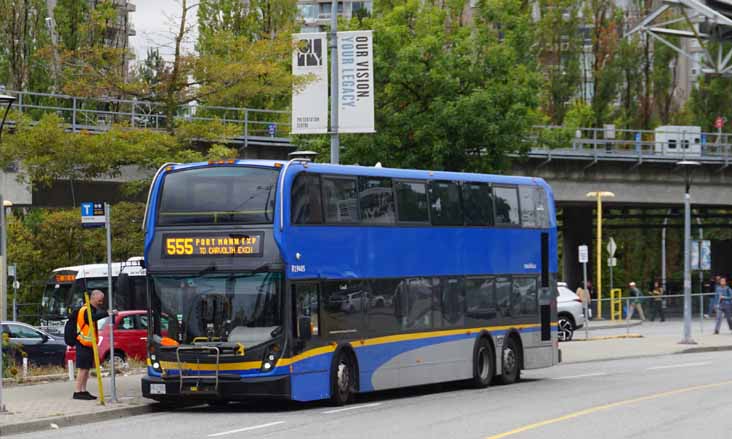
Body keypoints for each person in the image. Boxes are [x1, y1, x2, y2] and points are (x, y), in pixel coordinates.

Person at [73, 290, 116, 400]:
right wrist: (108, 313)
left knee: (86, 368)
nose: (101, 302)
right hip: (83, 343)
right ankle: (77, 392)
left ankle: (83, 390)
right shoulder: (86, 310)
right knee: (82, 368)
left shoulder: (90, 309)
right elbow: (92, 318)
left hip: (89, 343)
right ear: (93, 297)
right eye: (99, 300)